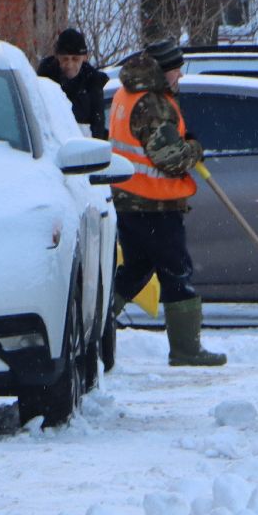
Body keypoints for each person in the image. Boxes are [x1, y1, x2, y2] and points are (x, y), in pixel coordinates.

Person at [107, 38, 226, 368]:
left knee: (137, 270)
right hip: (154, 204)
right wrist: (194, 149)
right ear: (162, 72)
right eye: (176, 71)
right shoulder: (155, 104)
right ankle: (186, 349)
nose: (180, 77)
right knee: (177, 271)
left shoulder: (126, 93)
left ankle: (96, 324)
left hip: (129, 198)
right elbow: (169, 159)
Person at [37, 27, 109, 140]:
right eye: (65, 59)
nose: (69, 65)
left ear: (84, 58)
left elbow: (98, 128)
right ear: (57, 57)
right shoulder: (44, 79)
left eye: (75, 59)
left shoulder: (93, 83)